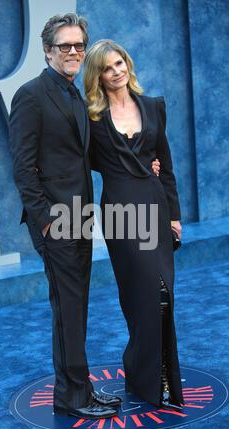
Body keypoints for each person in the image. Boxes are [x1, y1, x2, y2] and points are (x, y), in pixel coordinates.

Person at [9, 14, 123, 419]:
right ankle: (72, 398)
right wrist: (45, 221)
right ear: (47, 51)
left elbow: (85, 156)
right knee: (68, 311)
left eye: (78, 46)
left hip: (80, 219)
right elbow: (22, 168)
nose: (73, 52)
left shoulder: (77, 94)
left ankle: (79, 390)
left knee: (77, 310)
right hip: (55, 222)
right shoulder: (31, 95)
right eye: (64, 46)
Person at [84, 39, 184, 409]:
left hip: (156, 209)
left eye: (121, 62)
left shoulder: (154, 107)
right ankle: (146, 380)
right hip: (121, 216)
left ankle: (158, 376)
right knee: (141, 295)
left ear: (128, 64)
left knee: (164, 296)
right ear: (99, 75)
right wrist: (131, 169)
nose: (117, 71)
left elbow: (166, 165)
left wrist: (174, 215)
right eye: (108, 67)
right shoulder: (91, 117)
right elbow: (91, 161)